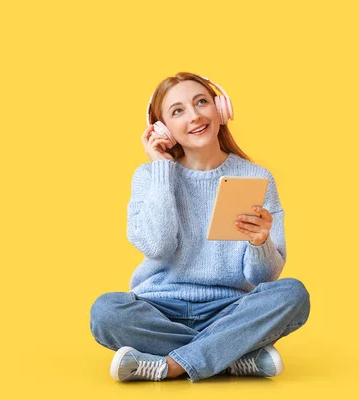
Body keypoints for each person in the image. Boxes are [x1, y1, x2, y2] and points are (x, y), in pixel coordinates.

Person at [89, 72, 310, 383]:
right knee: (106, 311)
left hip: (230, 308)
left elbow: (263, 278)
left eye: (202, 102)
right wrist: (161, 167)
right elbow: (158, 246)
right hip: (159, 308)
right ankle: (231, 356)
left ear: (221, 109)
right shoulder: (148, 176)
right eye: (177, 111)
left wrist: (260, 243)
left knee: (292, 293)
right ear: (161, 128)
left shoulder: (256, 176)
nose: (194, 116)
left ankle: (171, 365)